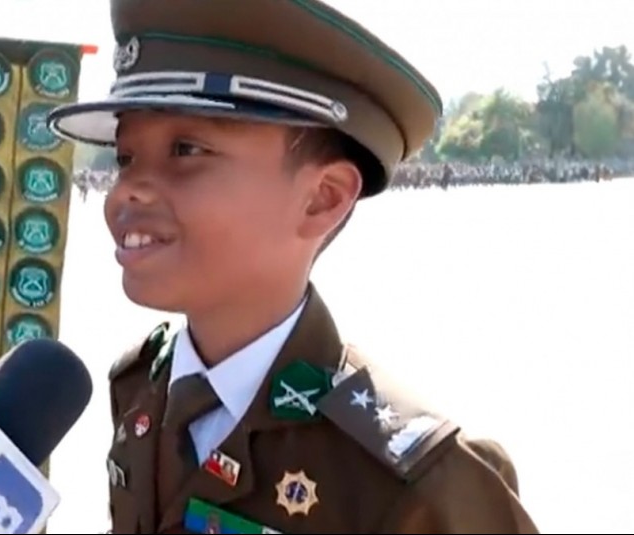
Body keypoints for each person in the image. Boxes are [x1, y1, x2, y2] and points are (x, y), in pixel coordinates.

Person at [47, 0, 540, 533]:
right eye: (125, 159)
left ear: (322, 199)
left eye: (186, 150)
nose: (128, 190)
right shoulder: (142, 387)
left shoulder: (418, 484)